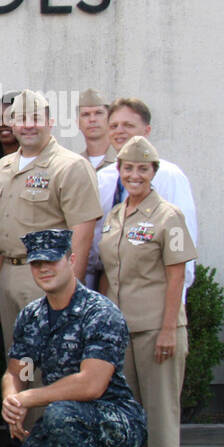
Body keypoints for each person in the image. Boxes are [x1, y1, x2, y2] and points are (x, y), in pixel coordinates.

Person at [0, 229, 146, 447]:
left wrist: (30, 397)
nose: (43, 269)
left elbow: (91, 385)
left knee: (62, 413)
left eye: (52, 261)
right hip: (64, 423)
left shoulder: (100, 313)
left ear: (71, 260)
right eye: (36, 264)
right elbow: (18, 370)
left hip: (115, 419)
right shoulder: (32, 316)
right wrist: (12, 399)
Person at [98, 137, 196, 447]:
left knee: (161, 409)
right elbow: (109, 271)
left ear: (154, 172)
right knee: (131, 409)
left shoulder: (168, 216)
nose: (134, 175)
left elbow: (177, 276)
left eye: (142, 168)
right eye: (128, 168)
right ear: (120, 172)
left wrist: (170, 328)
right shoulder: (117, 215)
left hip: (157, 326)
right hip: (123, 327)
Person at [0, 90, 101, 358]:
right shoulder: (2, 167)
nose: (28, 125)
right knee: (17, 361)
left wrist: (70, 291)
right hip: (9, 279)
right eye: (20, 118)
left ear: (50, 122)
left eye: (35, 117)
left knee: (51, 361)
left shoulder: (71, 166)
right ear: (12, 124)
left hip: (49, 276)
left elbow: (82, 235)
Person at [91, 98, 198, 297]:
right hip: (110, 293)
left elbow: (183, 248)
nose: (119, 131)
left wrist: (175, 311)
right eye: (114, 125)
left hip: (154, 294)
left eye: (128, 125)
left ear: (147, 131)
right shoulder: (102, 179)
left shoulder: (169, 176)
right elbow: (95, 245)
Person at [76, 88, 115, 171]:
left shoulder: (123, 161)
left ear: (110, 119)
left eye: (98, 113)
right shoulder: (73, 164)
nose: (92, 119)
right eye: (86, 114)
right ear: (77, 122)